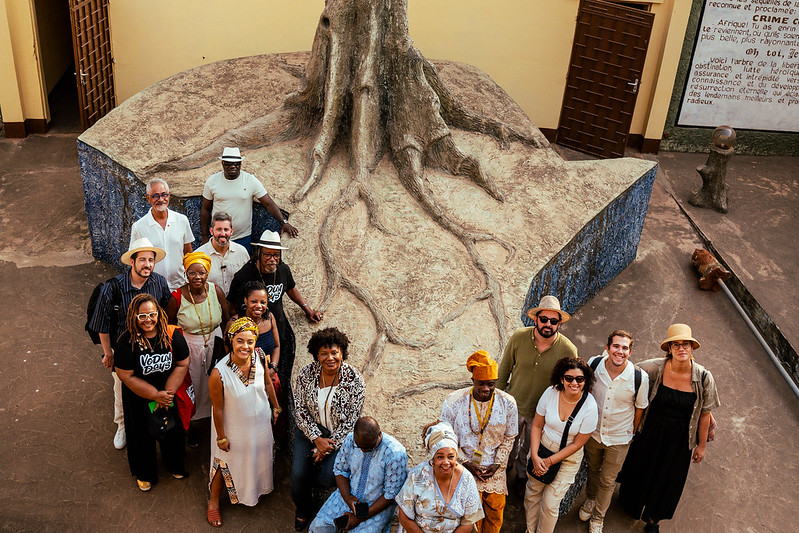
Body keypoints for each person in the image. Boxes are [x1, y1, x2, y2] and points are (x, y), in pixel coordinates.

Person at [618, 324, 720, 533]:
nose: (681, 348)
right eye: (676, 344)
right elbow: (626, 369)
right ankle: (631, 505)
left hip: (681, 438)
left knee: (669, 479)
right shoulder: (654, 368)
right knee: (640, 468)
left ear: (692, 348)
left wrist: (701, 446)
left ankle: (653, 519)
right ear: (669, 349)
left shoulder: (703, 377)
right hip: (651, 430)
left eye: (685, 344)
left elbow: (704, 414)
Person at [88, 238, 172, 449]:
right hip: (124, 351)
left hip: (153, 349)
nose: (147, 265)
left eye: (151, 260)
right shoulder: (112, 288)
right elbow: (102, 324)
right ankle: (122, 425)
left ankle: (154, 423)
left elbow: (166, 314)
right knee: (122, 390)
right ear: (131, 262)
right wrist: (108, 354)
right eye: (142, 260)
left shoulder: (160, 283)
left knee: (153, 387)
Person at [228, 230, 323, 411]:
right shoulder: (244, 275)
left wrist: (307, 309)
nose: (272, 259)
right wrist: (233, 325)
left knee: (274, 378)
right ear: (259, 253)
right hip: (250, 336)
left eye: (276, 255)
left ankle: (274, 415)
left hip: (276, 330)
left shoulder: (282, 270)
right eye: (268, 255)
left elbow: (291, 289)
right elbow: (231, 304)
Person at [496, 295, 578, 494]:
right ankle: (505, 472)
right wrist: (495, 401)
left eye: (553, 321)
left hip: (542, 412)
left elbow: (571, 384)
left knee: (530, 449)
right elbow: (504, 369)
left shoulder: (568, 350)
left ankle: (522, 476)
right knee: (509, 444)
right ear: (536, 319)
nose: (548, 324)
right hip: (513, 406)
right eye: (544, 319)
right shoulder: (518, 337)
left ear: (559, 324)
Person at [206, 317, 281, 527]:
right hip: (232, 426)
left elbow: (267, 382)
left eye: (250, 341)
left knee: (257, 455)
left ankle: (252, 491)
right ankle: (213, 503)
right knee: (223, 462)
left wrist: (276, 407)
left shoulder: (258, 356)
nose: (245, 347)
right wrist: (221, 437)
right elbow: (217, 408)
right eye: (240, 341)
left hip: (260, 421)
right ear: (231, 341)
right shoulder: (218, 373)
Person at [292, 327, 366, 531]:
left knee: (327, 476)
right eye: (324, 353)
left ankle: (315, 474)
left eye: (334, 352)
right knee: (298, 475)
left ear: (342, 352)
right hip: (309, 431)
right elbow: (299, 408)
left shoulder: (354, 380)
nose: (330, 358)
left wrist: (328, 446)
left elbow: (351, 422)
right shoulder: (306, 373)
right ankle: (304, 508)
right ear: (316, 355)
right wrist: (316, 438)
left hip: (338, 436)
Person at [114, 294, 189, 491]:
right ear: (134, 317)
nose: (148, 320)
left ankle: (174, 464)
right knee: (141, 436)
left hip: (167, 393)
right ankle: (144, 473)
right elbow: (125, 375)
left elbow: (182, 363)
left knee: (172, 431)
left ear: (159, 314)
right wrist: (154, 395)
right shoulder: (126, 342)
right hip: (139, 396)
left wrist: (166, 394)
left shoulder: (171, 335)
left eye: (152, 314)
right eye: (142, 316)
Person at [578, 330, 649, 533]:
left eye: (625, 348)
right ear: (608, 348)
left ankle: (598, 517)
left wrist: (630, 433)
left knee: (608, 480)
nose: (620, 351)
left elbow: (640, 409)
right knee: (592, 469)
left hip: (619, 438)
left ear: (630, 352)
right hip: (593, 433)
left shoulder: (638, 377)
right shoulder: (594, 364)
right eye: (616, 346)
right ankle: (590, 500)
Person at [440, 350, 518, 533]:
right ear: (473, 381)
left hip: (494, 468)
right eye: (481, 384)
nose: (485, 389)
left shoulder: (508, 403)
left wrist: (497, 464)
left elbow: (510, 437)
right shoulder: (454, 401)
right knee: (468, 515)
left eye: (490, 384)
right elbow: (445, 437)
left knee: (495, 512)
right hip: (461, 465)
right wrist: (465, 463)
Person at [525, 357, 598, 533]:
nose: (574, 383)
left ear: (585, 380)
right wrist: (535, 456)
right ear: (561, 379)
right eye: (569, 378)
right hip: (541, 448)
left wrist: (549, 461)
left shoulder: (590, 407)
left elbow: (578, 443)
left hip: (568, 458)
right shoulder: (551, 393)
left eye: (579, 379)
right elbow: (536, 425)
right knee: (532, 493)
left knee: (550, 504)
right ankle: (529, 529)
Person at [166, 251, 228, 446]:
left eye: (201, 272)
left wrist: (226, 346)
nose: (197, 277)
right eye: (192, 273)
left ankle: (214, 424)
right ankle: (191, 426)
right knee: (193, 388)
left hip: (215, 343)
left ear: (207, 273)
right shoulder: (176, 297)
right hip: (189, 348)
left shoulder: (216, 291)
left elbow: (226, 318)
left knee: (214, 385)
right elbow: (170, 326)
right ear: (186, 273)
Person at [309, 417, 408, 533]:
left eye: (369, 447)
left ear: (379, 435)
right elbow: (340, 470)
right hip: (348, 496)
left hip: (376, 507)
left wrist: (360, 517)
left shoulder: (395, 455)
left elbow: (391, 495)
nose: (363, 451)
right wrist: (348, 498)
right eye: (360, 447)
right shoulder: (350, 440)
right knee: (318, 527)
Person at [200, 146, 298, 252]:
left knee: (241, 266)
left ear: (240, 164)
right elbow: (205, 209)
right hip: (219, 236)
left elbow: (268, 203)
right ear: (223, 163)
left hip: (242, 238)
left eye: (236, 163)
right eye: (229, 163)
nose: (233, 166)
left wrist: (284, 222)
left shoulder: (250, 180)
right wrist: (205, 236)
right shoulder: (212, 181)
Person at [395, 421, 484, 533]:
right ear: (432, 458)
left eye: (451, 457)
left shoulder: (466, 479)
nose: (446, 462)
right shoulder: (417, 475)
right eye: (440, 457)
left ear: (456, 457)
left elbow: (468, 522)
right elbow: (404, 517)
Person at [130, 178, 195, 290]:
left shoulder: (182, 220)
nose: (161, 199)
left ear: (169, 195)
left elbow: (188, 252)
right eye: (156, 196)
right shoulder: (139, 227)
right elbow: (134, 260)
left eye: (164, 195)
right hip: (152, 287)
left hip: (179, 286)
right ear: (148, 198)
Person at [242, 280, 287, 442]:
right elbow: (231, 355)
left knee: (275, 411)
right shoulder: (236, 323)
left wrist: (273, 368)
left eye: (263, 302)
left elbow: (276, 345)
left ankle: (275, 444)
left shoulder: (270, 318)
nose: (259, 306)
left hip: (270, 374)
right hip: (246, 380)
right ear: (245, 301)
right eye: (254, 301)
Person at [195, 211, 250, 295]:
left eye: (226, 229)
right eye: (219, 229)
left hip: (235, 305)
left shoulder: (241, 252)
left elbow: (249, 281)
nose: (223, 234)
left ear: (231, 231)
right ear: (211, 231)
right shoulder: (199, 255)